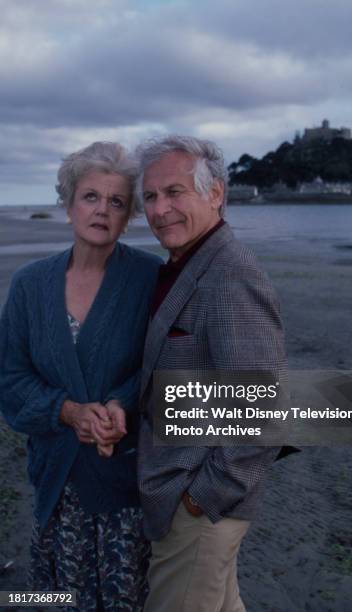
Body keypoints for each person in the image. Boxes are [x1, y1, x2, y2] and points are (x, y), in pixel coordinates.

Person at [0, 142, 161, 611]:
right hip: (56, 480)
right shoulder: (30, 284)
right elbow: (10, 377)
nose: (102, 210)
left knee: (125, 597)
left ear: (128, 213)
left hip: (125, 482)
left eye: (116, 201)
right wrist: (66, 411)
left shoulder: (150, 277)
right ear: (68, 203)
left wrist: (118, 405)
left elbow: (159, 369)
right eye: (90, 197)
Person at [134, 135, 287, 612]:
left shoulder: (229, 275)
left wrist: (203, 498)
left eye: (175, 192)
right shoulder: (187, 264)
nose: (160, 210)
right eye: (151, 197)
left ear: (216, 193)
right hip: (190, 494)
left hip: (198, 503)